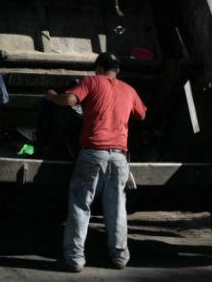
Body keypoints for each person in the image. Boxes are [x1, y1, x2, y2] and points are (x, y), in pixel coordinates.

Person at [45, 51, 147, 272]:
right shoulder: (128, 89)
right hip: (120, 158)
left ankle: (74, 259)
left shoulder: (92, 81)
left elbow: (69, 100)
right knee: (117, 209)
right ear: (117, 71)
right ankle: (120, 258)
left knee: (81, 206)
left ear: (99, 69)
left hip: (93, 154)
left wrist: (52, 95)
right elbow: (141, 115)